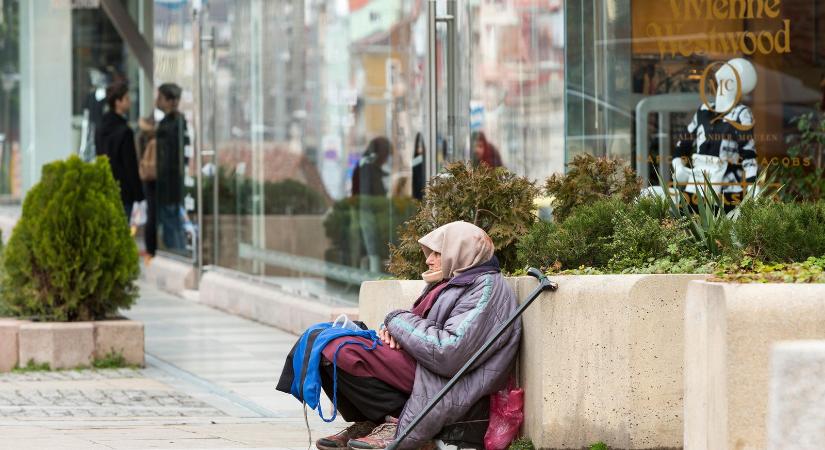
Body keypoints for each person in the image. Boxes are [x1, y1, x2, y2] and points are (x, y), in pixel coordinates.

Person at [277, 221, 521, 449]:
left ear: (461, 252)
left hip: (443, 380)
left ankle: (395, 422)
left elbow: (449, 351)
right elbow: (422, 331)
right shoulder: (453, 282)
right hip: (424, 367)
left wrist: (397, 321)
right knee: (322, 337)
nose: (429, 260)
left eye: (437, 253)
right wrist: (392, 332)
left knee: (340, 349)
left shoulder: (486, 289)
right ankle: (373, 420)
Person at [96, 81, 145, 220]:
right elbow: (130, 165)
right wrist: (139, 195)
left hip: (105, 187)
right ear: (117, 102)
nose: (130, 102)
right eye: (127, 99)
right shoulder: (124, 131)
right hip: (124, 191)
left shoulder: (100, 128)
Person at [154, 83, 189, 251]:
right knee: (171, 222)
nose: (157, 101)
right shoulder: (171, 123)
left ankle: (178, 255)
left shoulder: (173, 125)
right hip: (170, 183)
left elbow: (170, 157)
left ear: (169, 101)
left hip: (170, 184)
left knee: (172, 223)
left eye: (160, 97)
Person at [352, 137, 392, 272]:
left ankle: (366, 282)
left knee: (369, 252)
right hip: (368, 214)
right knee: (372, 251)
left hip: (365, 213)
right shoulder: (368, 168)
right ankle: (371, 283)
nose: (386, 160)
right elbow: (370, 196)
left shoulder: (364, 166)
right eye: (386, 155)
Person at [136, 115, 157, 263]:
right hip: (150, 179)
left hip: (146, 178)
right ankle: (151, 249)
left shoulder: (141, 137)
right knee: (152, 214)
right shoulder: (151, 140)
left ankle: (151, 249)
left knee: (151, 213)